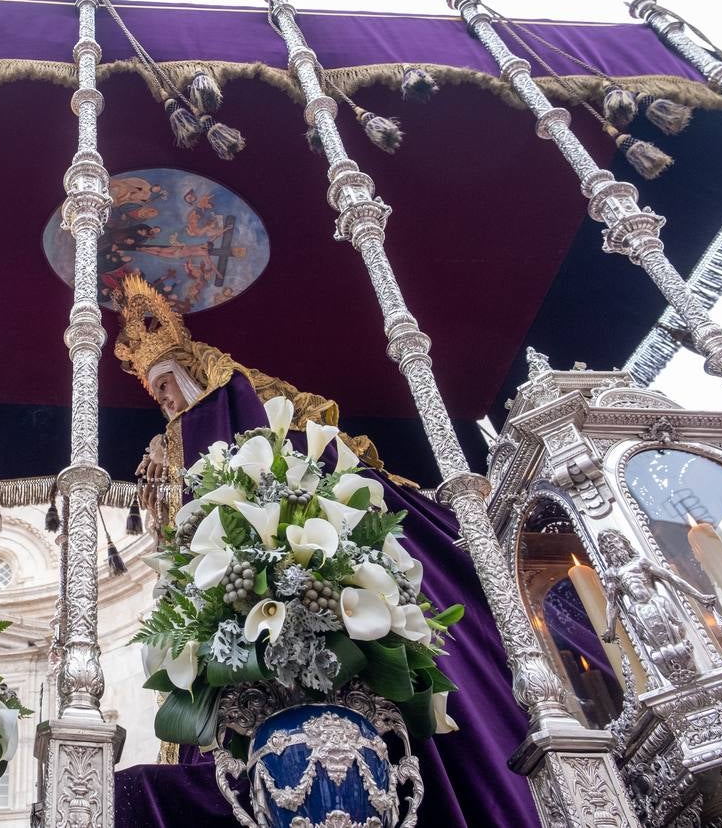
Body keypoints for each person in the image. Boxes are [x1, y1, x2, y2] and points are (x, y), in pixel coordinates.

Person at [111, 275, 539, 828]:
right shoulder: (183, 431)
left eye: (168, 386)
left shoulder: (234, 399)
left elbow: (261, 448)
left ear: (188, 369)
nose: (168, 401)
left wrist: (195, 430)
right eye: (158, 395)